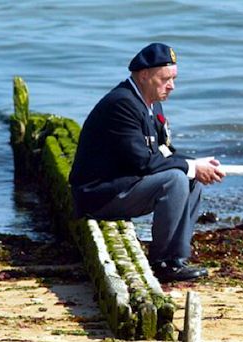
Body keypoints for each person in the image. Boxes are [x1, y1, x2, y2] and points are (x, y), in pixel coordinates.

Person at [69, 43, 225, 282]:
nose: (171, 86)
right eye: (165, 79)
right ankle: (162, 262)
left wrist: (196, 165)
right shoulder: (122, 104)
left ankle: (176, 259)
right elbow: (144, 163)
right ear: (144, 75)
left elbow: (163, 152)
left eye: (173, 79)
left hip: (126, 184)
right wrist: (190, 167)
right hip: (99, 195)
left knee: (191, 179)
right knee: (175, 179)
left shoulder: (151, 103)